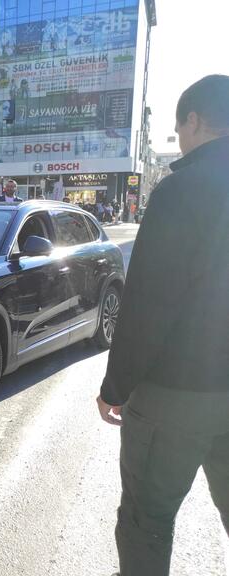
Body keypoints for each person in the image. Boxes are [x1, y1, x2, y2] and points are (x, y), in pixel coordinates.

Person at [97, 74, 229, 576]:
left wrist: (116, 386)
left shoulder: (181, 190)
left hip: (176, 393)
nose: (180, 139)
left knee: (147, 519)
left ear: (194, 120)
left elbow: (148, 303)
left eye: (179, 129)